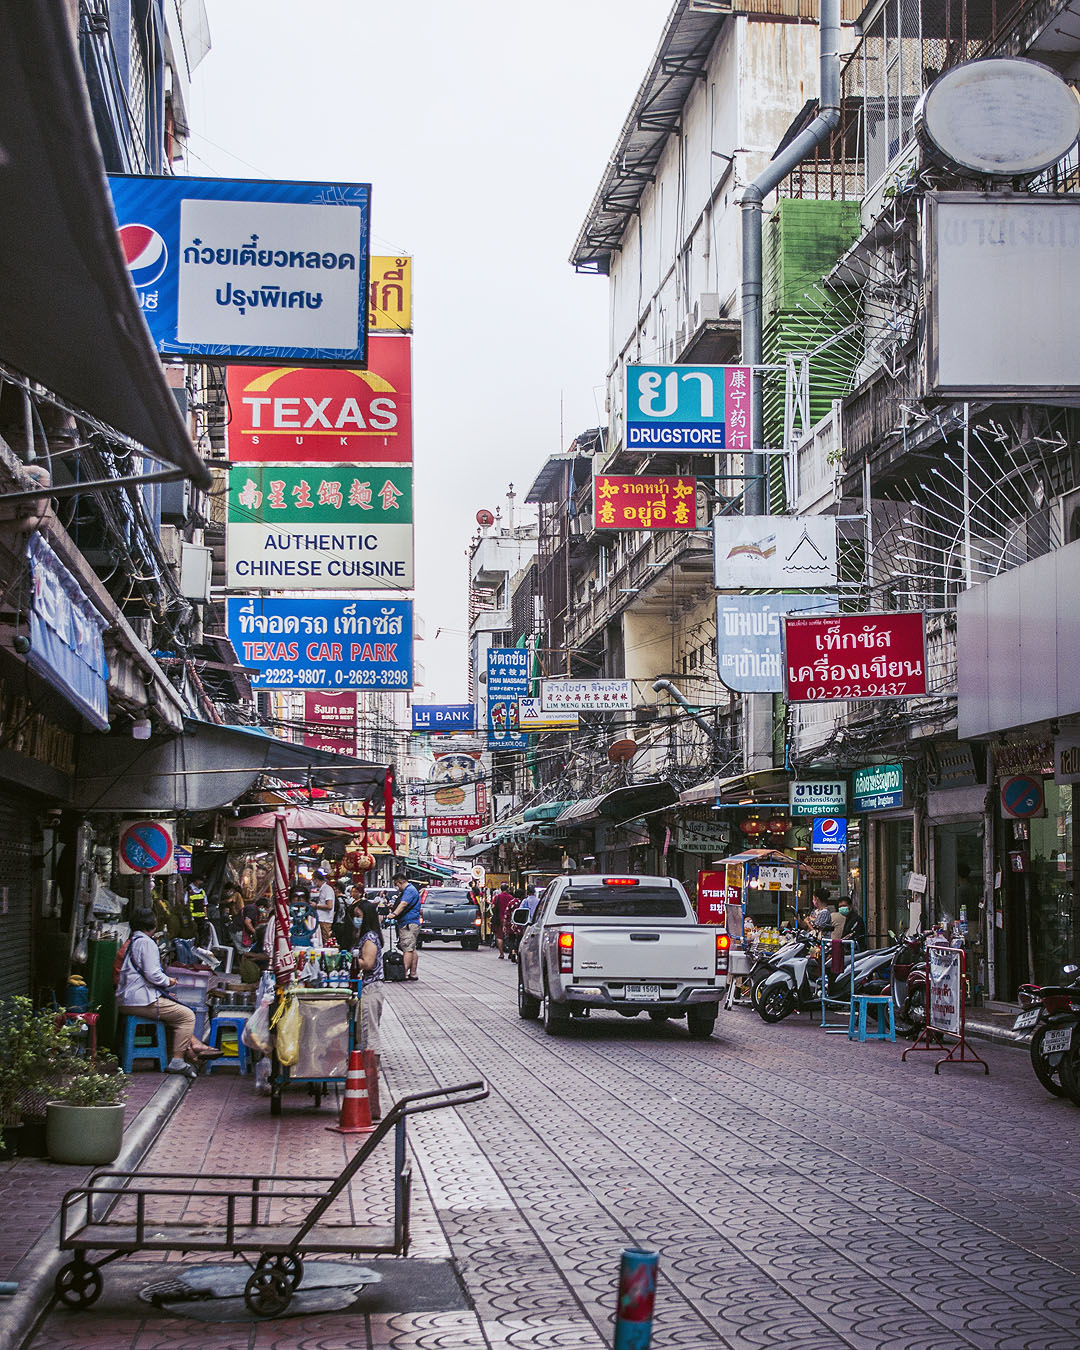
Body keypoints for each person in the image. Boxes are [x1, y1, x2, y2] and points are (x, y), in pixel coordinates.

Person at [115, 911, 220, 1077]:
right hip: (140, 1001)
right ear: (152, 925)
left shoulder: (133, 941)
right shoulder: (146, 943)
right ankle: (178, 1061)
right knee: (186, 1015)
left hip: (128, 999)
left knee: (174, 1012)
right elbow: (153, 974)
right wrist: (169, 981)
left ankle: (193, 1048)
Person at [354, 897, 385, 1120]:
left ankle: (371, 1074)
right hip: (368, 989)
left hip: (370, 989)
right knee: (365, 1031)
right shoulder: (367, 935)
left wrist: (354, 958)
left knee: (369, 1032)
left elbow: (369, 963)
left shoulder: (370, 938)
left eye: (358, 915)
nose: (355, 919)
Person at [390, 870, 422, 980]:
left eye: (396, 885)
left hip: (408, 923)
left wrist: (394, 914)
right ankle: (413, 973)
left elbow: (404, 904)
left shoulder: (409, 890)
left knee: (407, 949)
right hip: (412, 922)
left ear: (400, 882)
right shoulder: (411, 889)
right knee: (412, 948)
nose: (397, 887)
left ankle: (403, 973)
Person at [314, 868, 337, 946]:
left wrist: (316, 906)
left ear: (316, 880)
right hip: (321, 919)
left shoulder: (327, 889)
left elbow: (329, 906)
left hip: (325, 920)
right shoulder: (322, 889)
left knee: (326, 942)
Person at [493, 884, 517, 960]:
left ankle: (501, 954)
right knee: (511, 936)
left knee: (499, 936)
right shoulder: (511, 898)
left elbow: (493, 906)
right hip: (509, 919)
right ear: (507, 889)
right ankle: (511, 952)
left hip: (499, 919)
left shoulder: (497, 897)